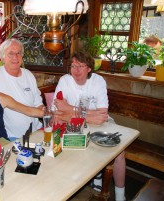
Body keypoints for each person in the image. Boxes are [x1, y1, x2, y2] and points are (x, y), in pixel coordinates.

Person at [53, 51, 126, 201]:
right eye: (73, 66)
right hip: (75, 122)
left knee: (120, 152)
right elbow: (57, 111)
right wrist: (85, 114)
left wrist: (69, 108)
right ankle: (94, 180)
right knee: (75, 144)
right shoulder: (65, 80)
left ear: (89, 69)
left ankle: (120, 196)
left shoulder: (98, 81)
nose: (76, 70)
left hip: (101, 122)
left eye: (81, 66)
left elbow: (103, 114)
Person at [0, 38, 44, 141]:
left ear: (22, 56)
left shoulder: (28, 74)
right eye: (10, 53)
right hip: (12, 137)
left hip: (36, 130)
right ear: (3, 57)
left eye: (18, 53)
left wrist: (46, 112)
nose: (15, 57)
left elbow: (38, 103)